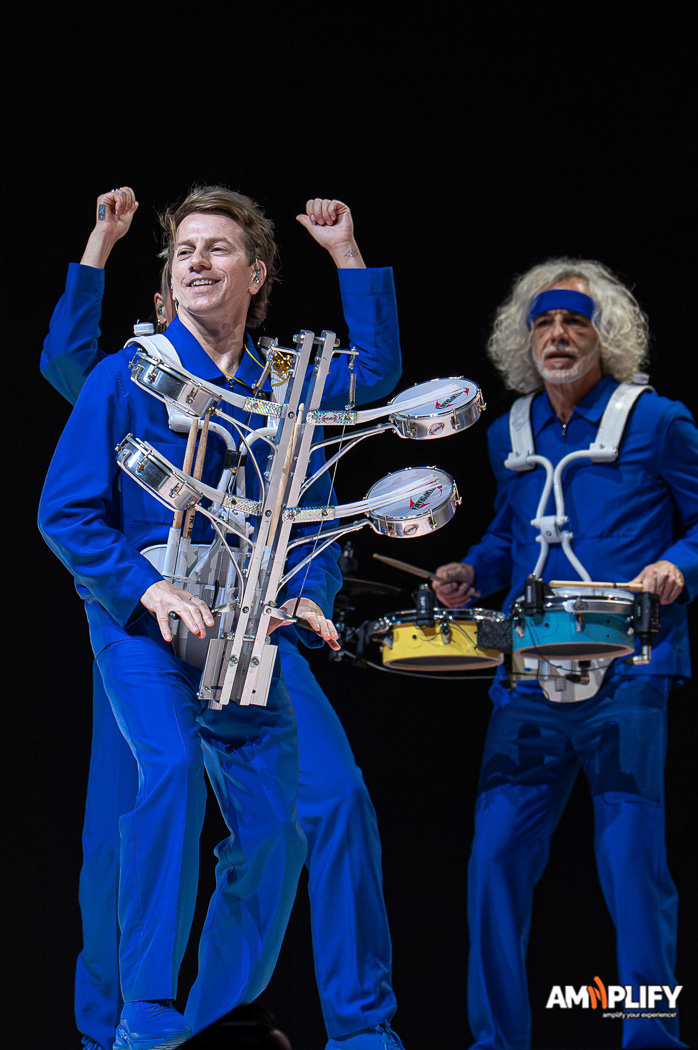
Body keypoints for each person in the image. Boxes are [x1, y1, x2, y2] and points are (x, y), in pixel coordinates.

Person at [40, 187, 406, 1050]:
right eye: (183, 252)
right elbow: (65, 400)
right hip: (145, 621)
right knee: (145, 804)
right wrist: (100, 245)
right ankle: (129, 1021)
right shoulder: (130, 372)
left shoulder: (287, 389)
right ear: (164, 284)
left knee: (312, 807)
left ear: (258, 274)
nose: (198, 262)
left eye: (218, 249)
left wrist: (347, 253)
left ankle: (247, 1017)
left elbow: (365, 398)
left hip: (250, 630)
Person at [431, 259, 697, 1050]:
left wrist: (677, 565)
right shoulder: (509, 435)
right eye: (543, 322)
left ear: (603, 335)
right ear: (524, 339)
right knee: (493, 863)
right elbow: (508, 538)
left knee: (632, 864)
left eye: (574, 321)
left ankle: (651, 1038)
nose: (557, 334)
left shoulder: (658, 422)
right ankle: (497, 1041)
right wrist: (472, 570)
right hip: (529, 679)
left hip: (629, 672)